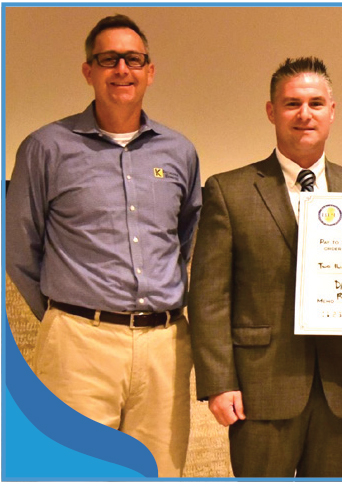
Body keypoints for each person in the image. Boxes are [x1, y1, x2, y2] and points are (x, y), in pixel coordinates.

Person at [5, 14, 201, 477]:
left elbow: (186, 239)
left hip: (165, 347)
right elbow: (18, 248)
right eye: (108, 59)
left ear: (149, 71)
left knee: (158, 473)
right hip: (79, 344)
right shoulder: (46, 147)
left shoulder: (179, 151)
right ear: (88, 70)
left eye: (133, 59)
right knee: (73, 473)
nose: (122, 69)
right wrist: (65, 318)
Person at [188, 56, 342, 478]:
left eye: (316, 103)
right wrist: (218, 383)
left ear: (332, 111)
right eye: (292, 103)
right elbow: (209, 297)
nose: (304, 114)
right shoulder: (229, 190)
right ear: (271, 111)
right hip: (261, 388)